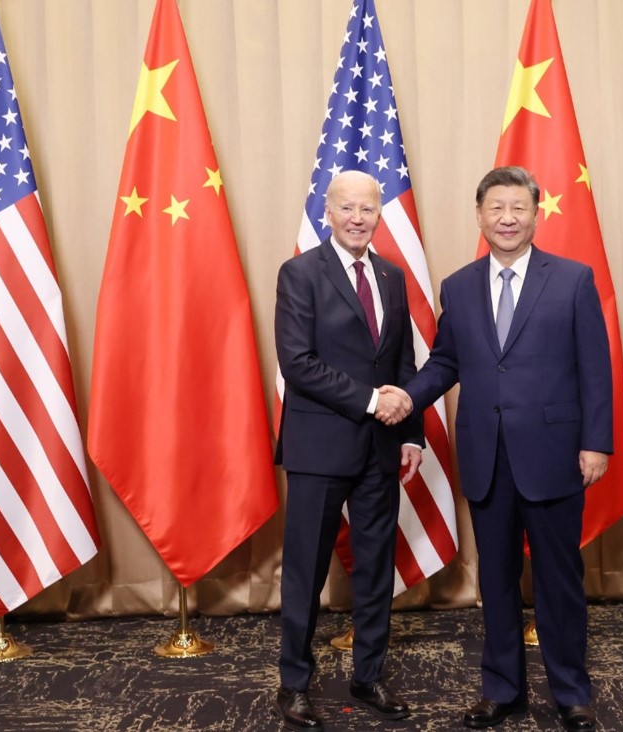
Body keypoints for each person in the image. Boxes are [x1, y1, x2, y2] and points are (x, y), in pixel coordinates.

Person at [381, 166, 609, 731]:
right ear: (479, 214)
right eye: (496, 208)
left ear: (537, 213)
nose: (507, 218)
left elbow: (596, 371)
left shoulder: (574, 280)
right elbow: (446, 362)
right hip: (486, 455)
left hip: (556, 453)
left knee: (559, 578)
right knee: (496, 579)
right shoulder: (458, 286)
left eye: (519, 208)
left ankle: (571, 693)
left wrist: (595, 444)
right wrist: (405, 399)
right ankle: (501, 687)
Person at [274, 170, 422, 731]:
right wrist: (369, 401)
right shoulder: (300, 274)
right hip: (319, 446)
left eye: (368, 209)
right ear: (328, 213)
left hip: (381, 448)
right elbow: (299, 364)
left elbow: (402, 361)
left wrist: (410, 429)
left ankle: (369, 675)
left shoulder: (391, 275)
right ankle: (293, 683)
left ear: (379, 214)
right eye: (348, 208)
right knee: (305, 572)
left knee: (376, 569)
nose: (359, 218)